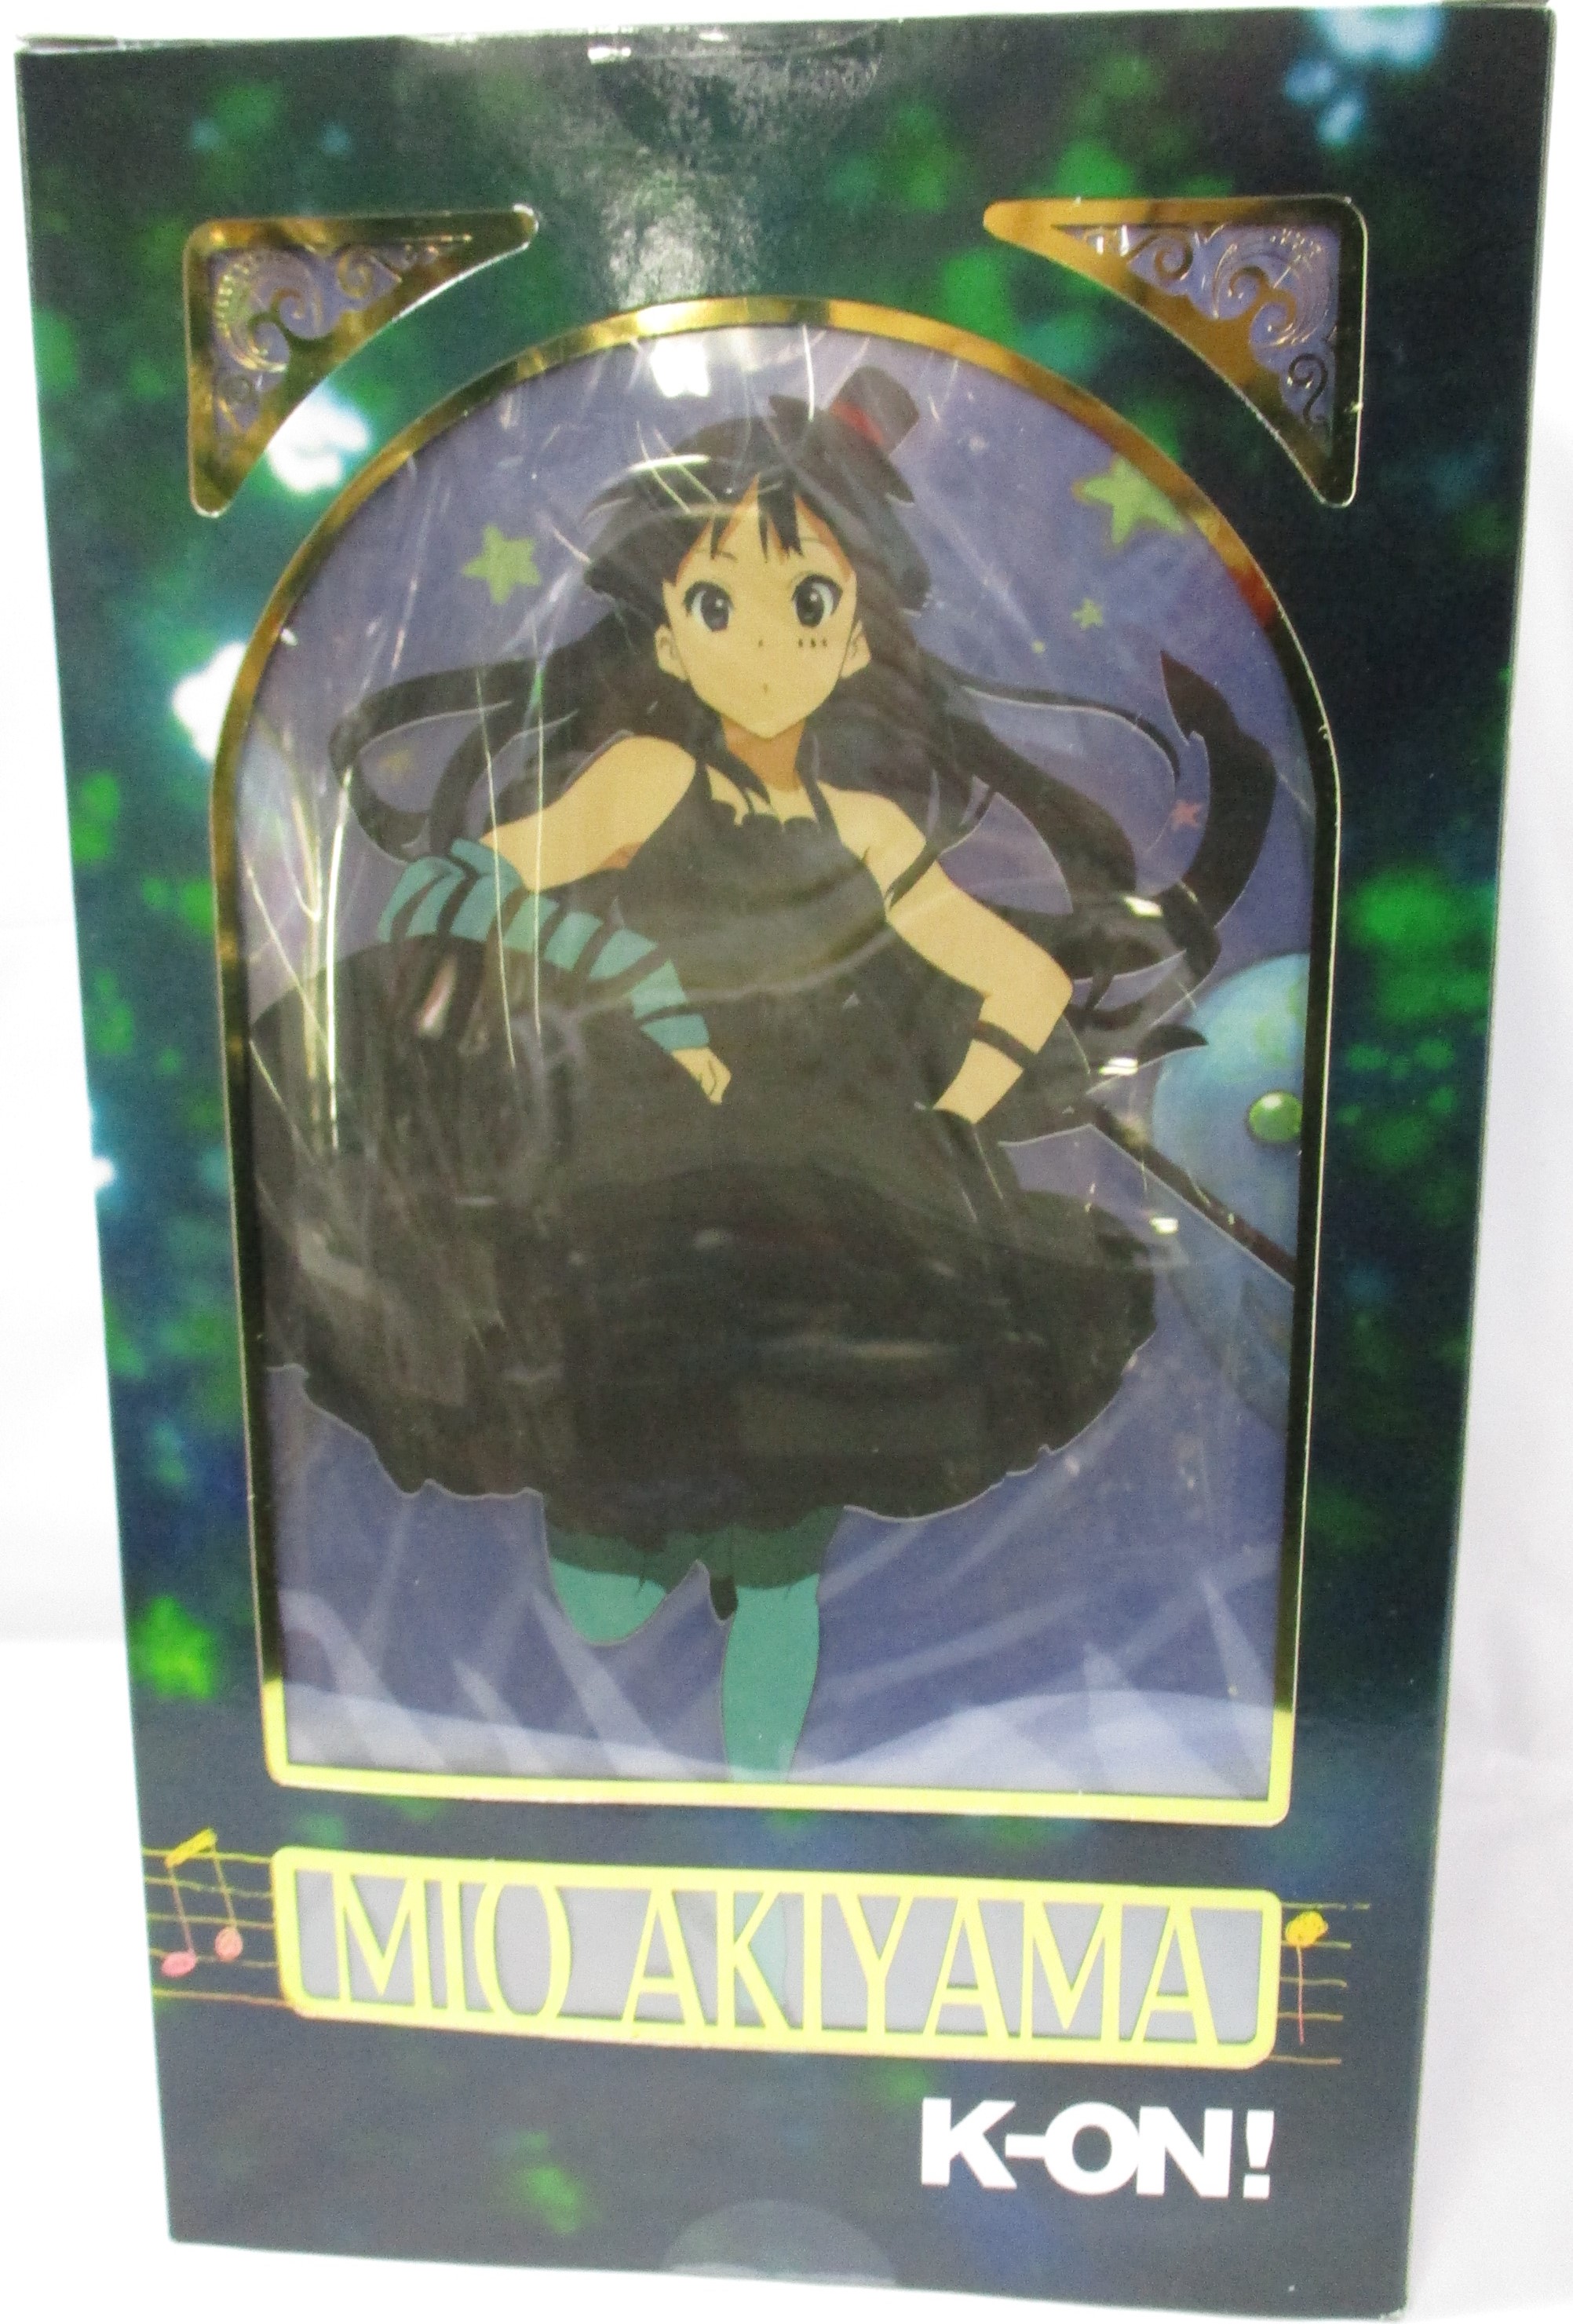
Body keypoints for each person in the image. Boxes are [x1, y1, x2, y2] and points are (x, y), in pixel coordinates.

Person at [248, 361, 1271, 1776]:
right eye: (718, 604)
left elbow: (1025, 977)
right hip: (627, 1185)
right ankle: (671, 1538)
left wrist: (957, 1105)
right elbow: (464, 884)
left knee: (794, 1496)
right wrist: (600, 971)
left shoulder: (869, 830)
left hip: (837, 1202)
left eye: (811, 603)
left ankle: (770, 1678)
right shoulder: (645, 779)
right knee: (606, 1586)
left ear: (856, 641)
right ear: (668, 638)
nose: (769, 641)